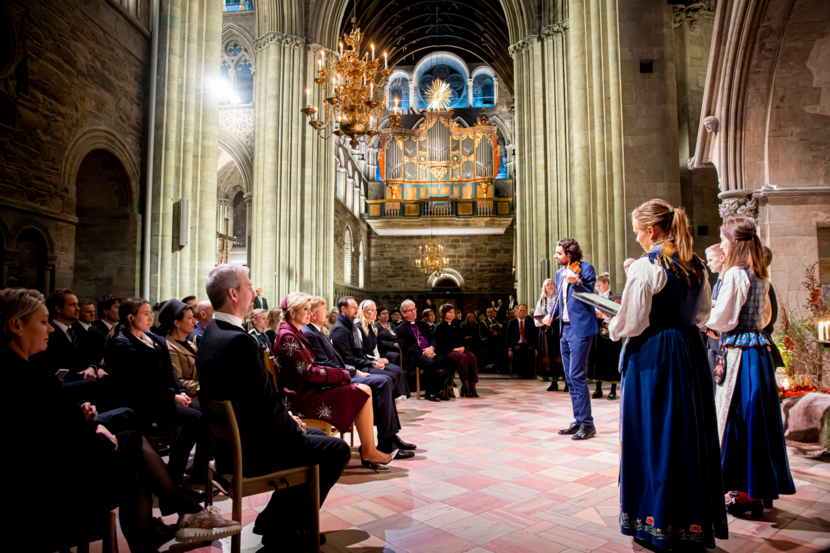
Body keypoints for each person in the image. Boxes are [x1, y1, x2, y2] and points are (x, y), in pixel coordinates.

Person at [5, 288, 241, 552]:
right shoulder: (19, 375)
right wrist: (95, 434)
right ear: (16, 325)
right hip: (56, 487)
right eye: (43, 321)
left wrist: (88, 420)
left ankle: (159, 528)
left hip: (65, 457)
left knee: (133, 447)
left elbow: (51, 416)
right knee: (133, 446)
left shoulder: (28, 366)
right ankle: (187, 511)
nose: (49, 329)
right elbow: (43, 438)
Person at [196, 266, 351, 551]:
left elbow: (255, 401)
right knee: (336, 450)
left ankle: (274, 521)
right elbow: (263, 410)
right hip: (252, 452)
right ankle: (288, 528)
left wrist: (289, 419)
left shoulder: (212, 333)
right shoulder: (238, 341)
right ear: (233, 293)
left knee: (320, 441)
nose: (254, 291)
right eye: (249, 286)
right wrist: (293, 424)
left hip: (232, 445)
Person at [608, 199, 727, 550]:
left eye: (638, 234)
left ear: (651, 231)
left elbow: (632, 321)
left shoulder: (647, 266)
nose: (639, 241)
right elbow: (704, 314)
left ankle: (657, 523)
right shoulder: (697, 264)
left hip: (655, 356)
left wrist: (610, 325)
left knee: (654, 434)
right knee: (690, 433)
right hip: (690, 352)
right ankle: (694, 522)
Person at [707, 217, 795, 516]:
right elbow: (765, 319)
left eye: (724, 238)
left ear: (734, 241)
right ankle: (757, 489)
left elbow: (723, 320)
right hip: (759, 352)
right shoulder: (761, 275)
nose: (722, 243)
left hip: (741, 355)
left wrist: (700, 318)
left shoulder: (734, 275)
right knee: (758, 422)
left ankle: (744, 491)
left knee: (737, 420)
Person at [275, 292, 396, 472]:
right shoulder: (288, 336)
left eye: (310, 309)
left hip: (308, 388)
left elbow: (311, 368)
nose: (310, 313)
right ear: (292, 312)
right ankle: (369, 450)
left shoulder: (294, 332)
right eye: (305, 309)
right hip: (301, 395)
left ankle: (370, 449)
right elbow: (308, 372)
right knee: (363, 390)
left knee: (364, 389)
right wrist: (341, 375)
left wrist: (340, 374)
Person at [103, 297, 205, 490]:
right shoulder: (123, 345)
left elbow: (170, 374)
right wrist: (172, 396)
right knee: (196, 419)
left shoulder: (154, 339)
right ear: (131, 317)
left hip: (163, 397)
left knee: (206, 412)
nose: (150, 318)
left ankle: (192, 472)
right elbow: (138, 386)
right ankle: (172, 478)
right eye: (145, 314)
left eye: (150, 313)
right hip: (145, 404)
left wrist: (181, 392)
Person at [303, 296, 416, 458]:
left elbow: (339, 360)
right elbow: (331, 362)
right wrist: (354, 371)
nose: (328, 312)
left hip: (344, 371)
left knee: (387, 378)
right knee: (384, 380)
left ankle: (389, 437)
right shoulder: (336, 329)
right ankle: (385, 441)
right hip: (334, 381)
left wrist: (356, 367)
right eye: (324, 310)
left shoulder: (321, 330)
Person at [542, 238, 598, 440]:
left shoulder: (585, 268)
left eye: (558, 253)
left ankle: (588, 424)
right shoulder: (559, 274)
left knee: (576, 376)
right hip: (564, 329)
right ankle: (578, 420)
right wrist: (551, 314)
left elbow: (591, 294)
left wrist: (578, 283)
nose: (556, 256)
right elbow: (560, 302)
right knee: (570, 377)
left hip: (580, 329)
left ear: (569, 253)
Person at [30, 289, 106, 385]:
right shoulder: (49, 334)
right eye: (72, 305)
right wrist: (86, 374)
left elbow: (91, 356)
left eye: (77, 304)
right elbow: (55, 368)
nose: (78, 308)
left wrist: (92, 368)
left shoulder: (77, 331)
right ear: (58, 309)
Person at [396, 299, 455, 402]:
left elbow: (433, 338)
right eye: (410, 310)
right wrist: (424, 352)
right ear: (404, 313)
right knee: (430, 362)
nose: (414, 312)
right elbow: (406, 347)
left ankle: (437, 388)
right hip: (414, 357)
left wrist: (431, 348)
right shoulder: (400, 329)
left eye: (414, 309)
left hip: (430, 352)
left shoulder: (422, 324)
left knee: (450, 362)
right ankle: (429, 393)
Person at [357, 299, 410, 399]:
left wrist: (379, 358)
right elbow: (361, 351)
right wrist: (376, 360)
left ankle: (394, 399)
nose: (375, 313)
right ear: (363, 312)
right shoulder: (358, 328)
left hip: (374, 359)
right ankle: (388, 399)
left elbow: (375, 348)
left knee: (398, 369)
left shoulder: (372, 327)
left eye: (375, 310)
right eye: (371, 310)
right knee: (392, 374)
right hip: (366, 361)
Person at [587, 273, 620, 400]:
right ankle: (598, 389)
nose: (598, 288)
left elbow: (619, 315)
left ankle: (613, 390)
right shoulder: (595, 298)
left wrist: (604, 316)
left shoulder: (614, 298)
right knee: (598, 358)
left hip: (610, 330)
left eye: (600, 285)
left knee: (611, 358)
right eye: (596, 286)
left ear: (606, 284)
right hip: (597, 331)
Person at [436, 303, 479, 396]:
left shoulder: (457, 324)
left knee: (472, 356)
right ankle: (466, 385)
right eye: (450, 312)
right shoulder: (439, 326)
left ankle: (473, 386)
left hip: (458, 350)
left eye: (453, 312)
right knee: (462, 357)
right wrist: (454, 349)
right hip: (447, 352)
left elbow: (462, 338)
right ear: (443, 314)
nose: (452, 314)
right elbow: (440, 343)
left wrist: (463, 346)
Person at [159, 299, 200, 397]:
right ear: (177, 323)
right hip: (190, 398)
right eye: (190, 318)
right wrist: (205, 387)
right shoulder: (169, 347)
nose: (194, 321)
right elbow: (178, 381)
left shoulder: (190, 344)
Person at [534, 279, 567, 392]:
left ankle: (567, 383)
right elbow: (536, 321)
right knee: (551, 358)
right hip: (547, 331)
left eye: (552, 283)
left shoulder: (560, 298)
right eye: (547, 284)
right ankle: (554, 383)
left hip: (559, 329)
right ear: (544, 287)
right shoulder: (542, 301)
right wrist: (544, 320)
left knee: (562, 356)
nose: (550, 286)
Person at [702, 243, 726, 380]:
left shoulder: (729, 280)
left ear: (722, 258)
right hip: (713, 339)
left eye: (711, 260)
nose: (708, 264)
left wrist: (715, 305)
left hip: (722, 339)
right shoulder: (718, 282)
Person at [506, 303, 537, 379]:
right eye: (520, 311)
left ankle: (527, 372)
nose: (522, 312)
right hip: (516, 344)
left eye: (524, 311)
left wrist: (536, 348)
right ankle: (522, 372)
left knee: (530, 350)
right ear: (517, 311)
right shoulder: (512, 322)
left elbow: (534, 337)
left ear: (526, 312)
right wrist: (509, 349)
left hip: (527, 343)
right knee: (519, 350)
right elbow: (507, 337)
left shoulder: (530, 322)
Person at [478, 306, 507, 372]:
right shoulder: (483, 322)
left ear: (494, 313)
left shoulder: (497, 321)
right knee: (496, 344)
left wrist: (497, 332)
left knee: (502, 344)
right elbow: (482, 335)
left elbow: (501, 331)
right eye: (488, 312)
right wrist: (492, 333)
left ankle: (501, 366)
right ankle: (494, 365)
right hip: (486, 341)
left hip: (497, 341)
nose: (490, 314)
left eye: (491, 312)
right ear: (486, 313)